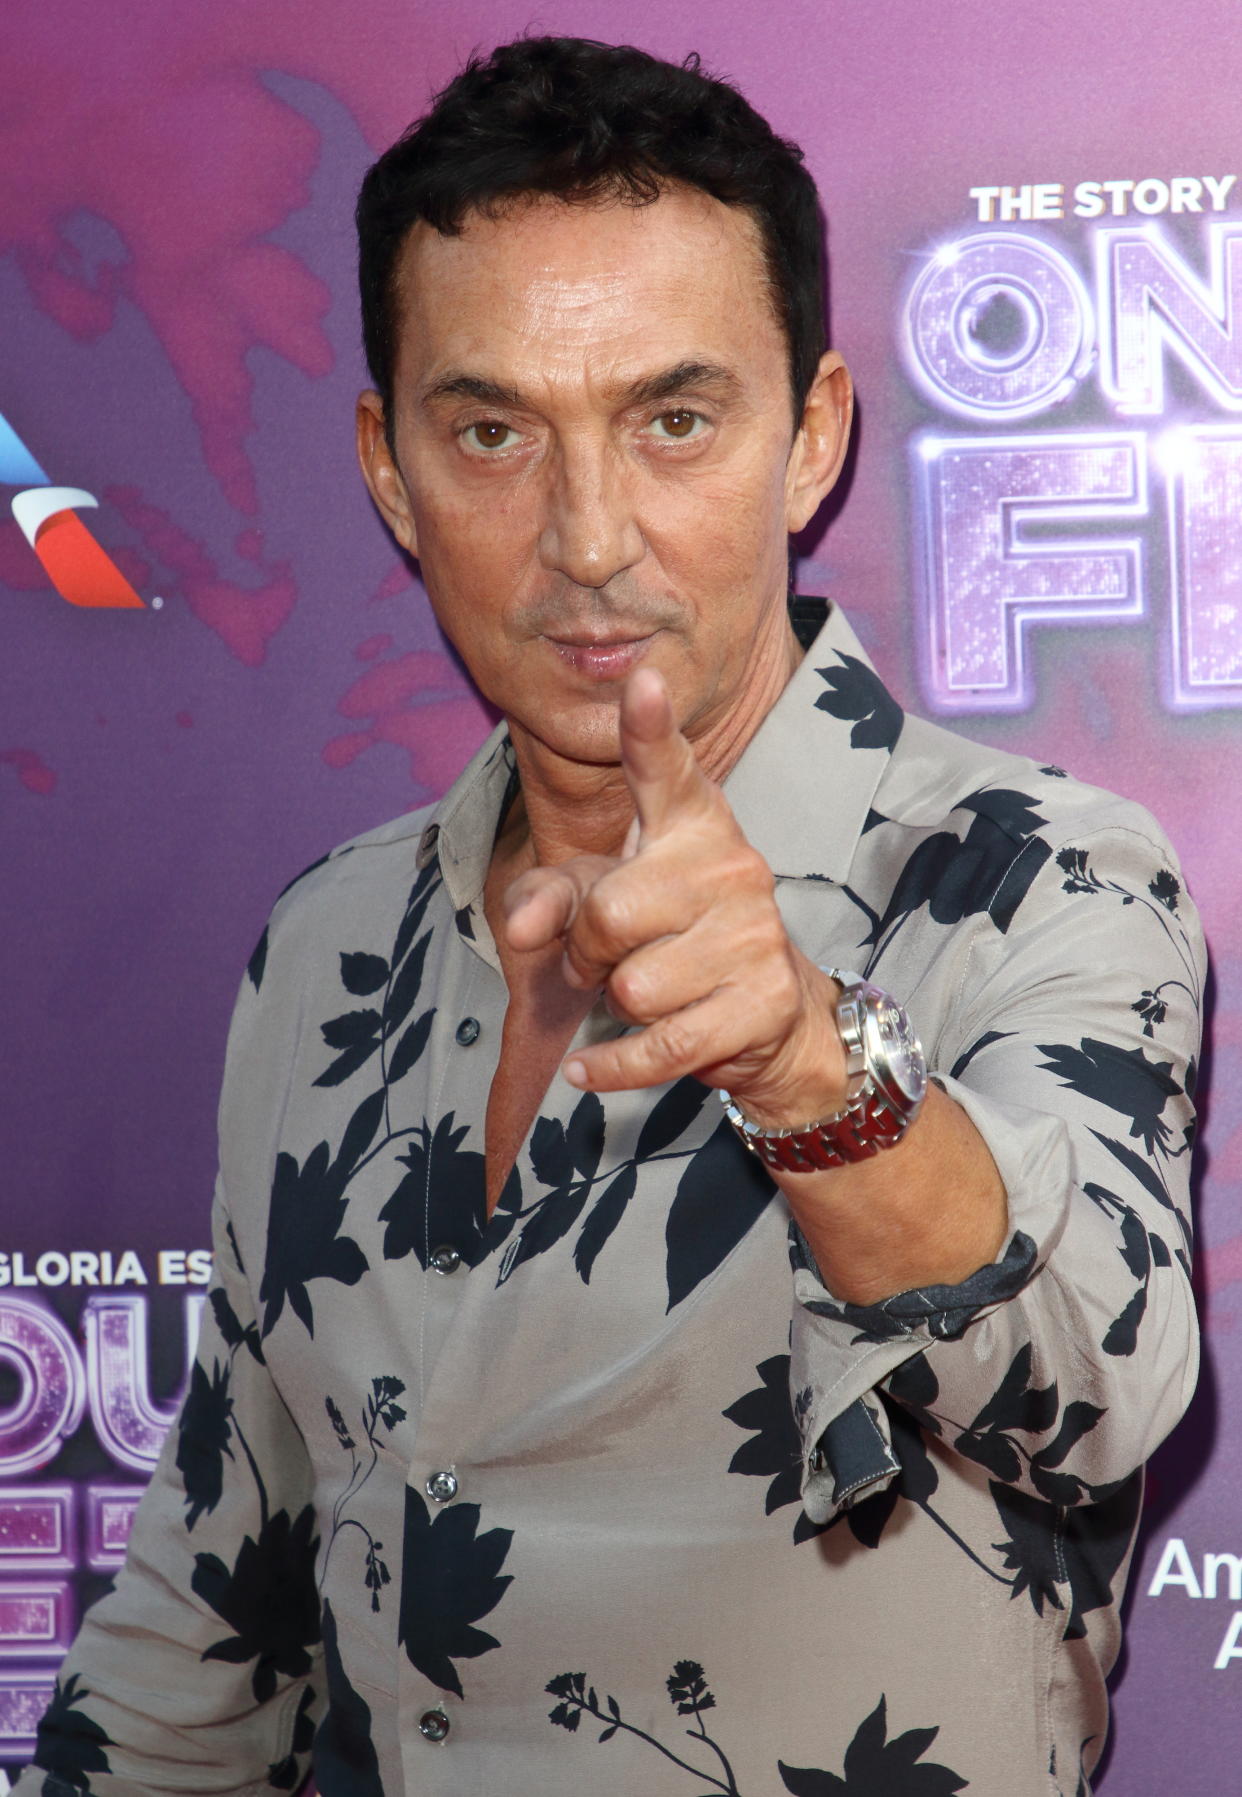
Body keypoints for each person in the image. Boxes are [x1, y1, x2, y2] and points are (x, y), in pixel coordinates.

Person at [21, 35, 1203, 1797]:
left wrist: (814, 1067)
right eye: (491, 429)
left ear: (808, 438)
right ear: (386, 467)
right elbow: (219, 1591)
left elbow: (1103, 1382)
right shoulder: (326, 941)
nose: (585, 536)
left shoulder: (1042, 871)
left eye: (671, 418)